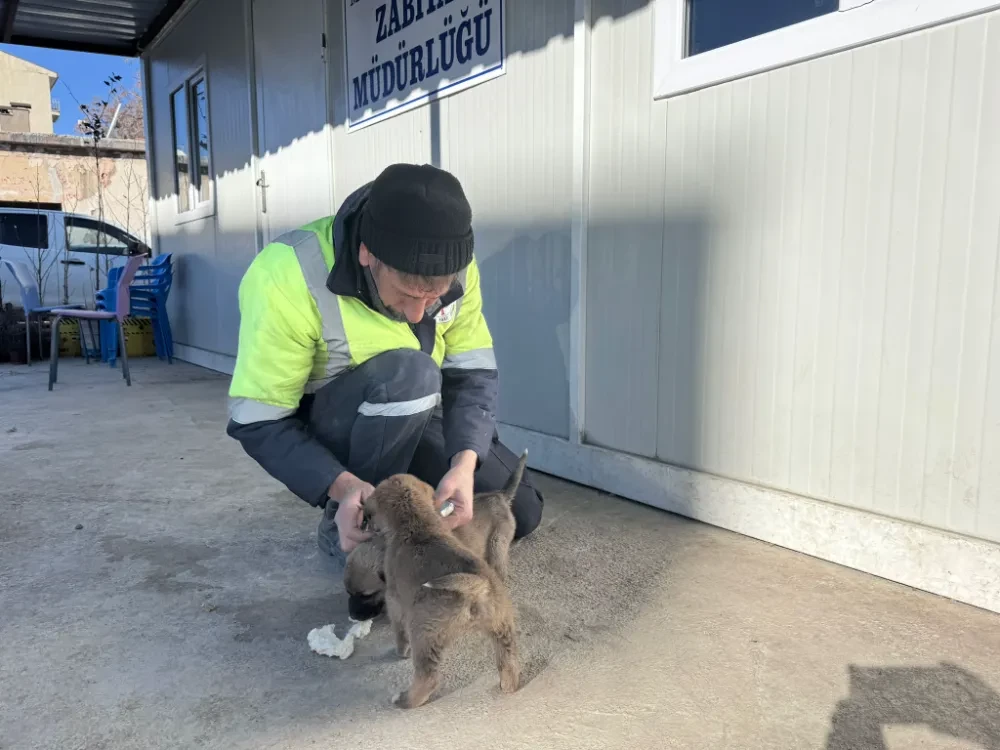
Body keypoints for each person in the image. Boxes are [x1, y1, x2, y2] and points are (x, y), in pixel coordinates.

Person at [225, 162, 544, 565]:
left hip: (418, 410)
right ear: (365, 253)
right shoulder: (285, 273)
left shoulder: (458, 267)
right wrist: (338, 486)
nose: (417, 316)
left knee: (519, 510)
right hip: (339, 428)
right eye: (407, 294)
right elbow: (259, 421)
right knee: (410, 374)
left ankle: (409, 502)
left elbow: (471, 372)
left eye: (433, 298)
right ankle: (355, 520)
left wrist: (464, 464)